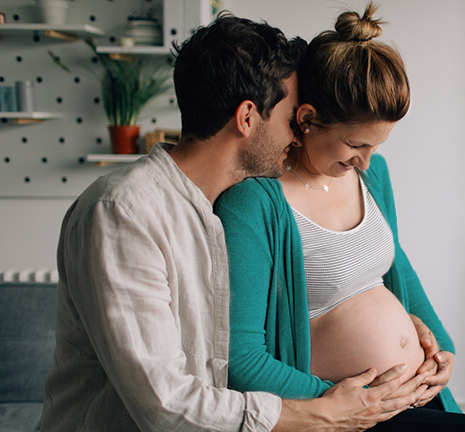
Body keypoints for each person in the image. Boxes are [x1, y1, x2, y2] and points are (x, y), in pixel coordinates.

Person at [40, 14, 424, 432]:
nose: (298, 135)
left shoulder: (214, 209)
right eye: (291, 117)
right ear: (246, 118)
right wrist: (327, 411)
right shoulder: (124, 212)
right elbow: (165, 405)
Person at [215, 3, 465, 432]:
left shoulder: (373, 176)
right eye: (356, 144)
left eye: (377, 146)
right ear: (307, 120)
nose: (367, 162)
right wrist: (340, 404)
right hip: (351, 419)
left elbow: (395, 263)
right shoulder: (254, 204)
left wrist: (440, 350)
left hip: (416, 397)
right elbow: (242, 359)